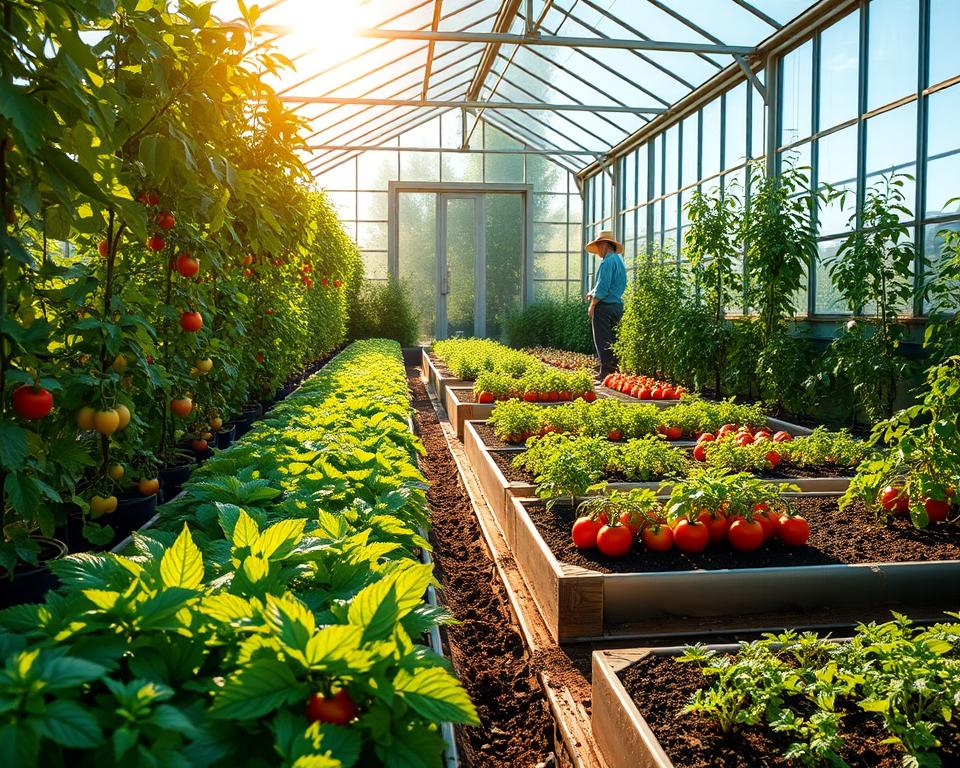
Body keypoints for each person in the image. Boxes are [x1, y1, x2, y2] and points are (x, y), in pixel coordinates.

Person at [584, 229, 627, 379]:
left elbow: (602, 288)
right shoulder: (618, 260)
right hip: (617, 306)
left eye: (598, 246)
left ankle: (606, 371)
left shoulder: (607, 262)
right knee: (614, 339)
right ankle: (614, 371)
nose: (597, 250)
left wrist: (592, 305)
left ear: (604, 245)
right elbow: (612, 284)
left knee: (602, 338)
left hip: (604, 308)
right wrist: (592, 292)